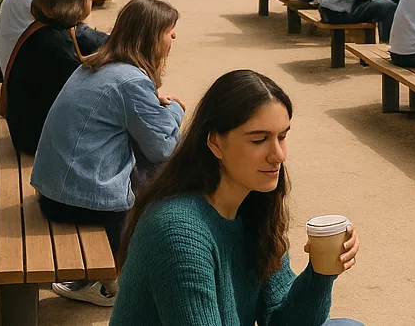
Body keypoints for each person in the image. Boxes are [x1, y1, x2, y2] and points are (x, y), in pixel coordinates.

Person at [109, 70, 363, 326]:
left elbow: (282, 320)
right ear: (215, 143)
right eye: (259, 139)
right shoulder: (177, 229)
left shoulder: (256, 207)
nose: (278, 154)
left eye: (282, 136)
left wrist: (321, 274)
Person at [32, 0, 186, 307]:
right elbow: (163, 149)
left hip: (54, 192)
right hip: (83, 201)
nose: (174, 37)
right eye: (170, 31)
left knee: (153, 155)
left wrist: (157, 109)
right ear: (151, 37)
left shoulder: (96, 62)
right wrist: (176, 111)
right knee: (181, 156)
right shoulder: (131, 81)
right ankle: (124, 273)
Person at [3, 0, 91, 155]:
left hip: (27, 131)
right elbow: (81, 93)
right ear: (73, 4)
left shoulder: (44, 30)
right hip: (36, 140)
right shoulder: (55, 43)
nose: (90, 1)